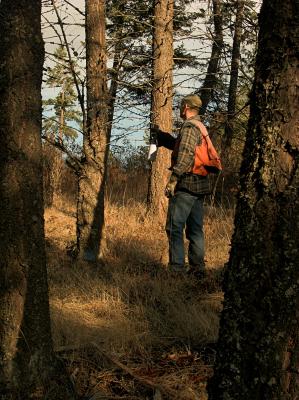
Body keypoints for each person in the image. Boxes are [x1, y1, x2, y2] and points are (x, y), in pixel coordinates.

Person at [153, 94, 220, 278]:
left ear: (186, 107)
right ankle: (198, 271)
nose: (180, 109)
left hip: (187, 185)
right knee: (195, 230)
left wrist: (173, 179)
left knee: (174, 227)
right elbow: (182, 146)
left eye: (181, 106)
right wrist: (164, 138)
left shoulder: (189, 127)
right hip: (199, 185)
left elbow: (186, 154)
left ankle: (176, 271)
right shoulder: (199, 126)